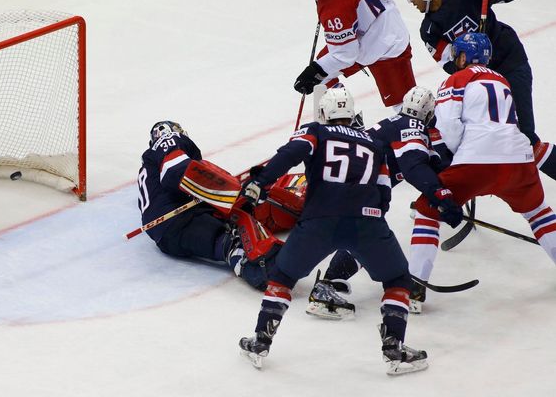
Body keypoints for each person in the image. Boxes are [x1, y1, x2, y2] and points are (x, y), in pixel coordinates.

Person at [237, 88, 428, 375]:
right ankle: (394, 349)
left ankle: (261, 340)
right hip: (368, 222)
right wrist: (370, 223)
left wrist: (259, 183)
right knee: (397, 279)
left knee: (283, 277)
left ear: (325, 114)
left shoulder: (317, 131)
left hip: (319, 221)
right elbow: (384, 194)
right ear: (352, 116)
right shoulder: (375, 143)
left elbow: (290, 153)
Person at [408, 33, 556, 312]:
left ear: (463, 56)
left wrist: (456, 157)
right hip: (519, 159)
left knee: (427, 208)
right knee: (539, 213)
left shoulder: (456, 79)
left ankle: (414, 287)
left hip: (478, 159)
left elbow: (449, 126)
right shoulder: (502, 80)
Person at [305, 86, 461, 318]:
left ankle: (332, 282)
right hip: (357, 185)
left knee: (364, 235)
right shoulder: (413, 127)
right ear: (428, 113)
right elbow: (414, 166)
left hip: (352, 181)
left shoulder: (399, 122)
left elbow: (433, 162)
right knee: (364, 234)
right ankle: (324, 289)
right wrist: (441, 196)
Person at [404, 0, 556, 179]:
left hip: (510, 62)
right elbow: (450, 65)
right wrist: (471, 58)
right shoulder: (429, 29)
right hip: (483, 81)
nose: (412, 2)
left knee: (525, 138)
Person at [137, 121, 281, 290]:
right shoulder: (169, 139)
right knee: (232, 241)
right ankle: (269, 273)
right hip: (180, 221)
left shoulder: (147, 168)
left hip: (167, 239)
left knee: (227, 230)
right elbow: (174, 171)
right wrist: (223, 190)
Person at [293, 0, 416, 109]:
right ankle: (343, 122)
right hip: (368, 25)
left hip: (387, 41)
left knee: (405, 107)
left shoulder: (336, 9)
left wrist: (313, 71)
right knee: (322, 79)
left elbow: (346, 55)